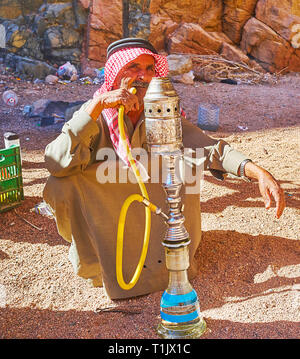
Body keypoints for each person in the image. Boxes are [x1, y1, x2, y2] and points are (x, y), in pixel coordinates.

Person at [43, 38, 285, 299]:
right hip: (107, 213)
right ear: (114, 72)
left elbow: (207, 147)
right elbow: (55, 162)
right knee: (61, 184)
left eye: (149, 69)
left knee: (182, 167)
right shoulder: (94, 113)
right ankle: (93, 258)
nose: (143, 76)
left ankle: (169, 258)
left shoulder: (160, 111)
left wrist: (255, 170)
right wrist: (98, 105)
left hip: (154, 210)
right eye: (133, 67)